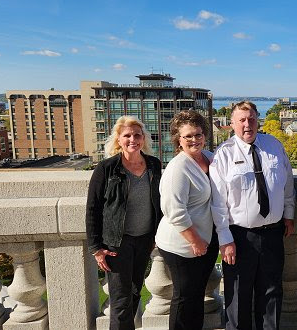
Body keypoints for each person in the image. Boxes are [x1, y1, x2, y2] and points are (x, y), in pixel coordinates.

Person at [209, 101, 295, 330]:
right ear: (232, 123)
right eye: (242, 120)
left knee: (271, 295)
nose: (248, 125)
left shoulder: (274, 146)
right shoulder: (224, 155)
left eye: (252, 119)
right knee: (238, 299)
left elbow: (286, 184)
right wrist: (225, 238)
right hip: (239, 237)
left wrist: (288, 214)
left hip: (273, 234)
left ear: (258, 120)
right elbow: (218, 203)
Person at [86, 116, 162, 330]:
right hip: (116, 244)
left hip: (145, 240)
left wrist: (157, 234)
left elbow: (159, 201)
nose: (132, 139)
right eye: (127, 135)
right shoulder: (107, 168)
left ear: (143, 138)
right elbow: (93, 208)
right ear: (118, 139)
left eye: (137, 135)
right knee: (120, 301)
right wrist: (96, 248)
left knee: (136, 293)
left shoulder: (154, 165)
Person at [155, 110, 219, 330]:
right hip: (182, 245)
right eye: (188, 136)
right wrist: (195, 241)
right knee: (184, 299)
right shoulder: (178, 168)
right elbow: (174, 211)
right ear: (178, 139)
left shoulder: (210, 158)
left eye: (198, 134)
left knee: (196, 296)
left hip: (205, 241)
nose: (194, 140)